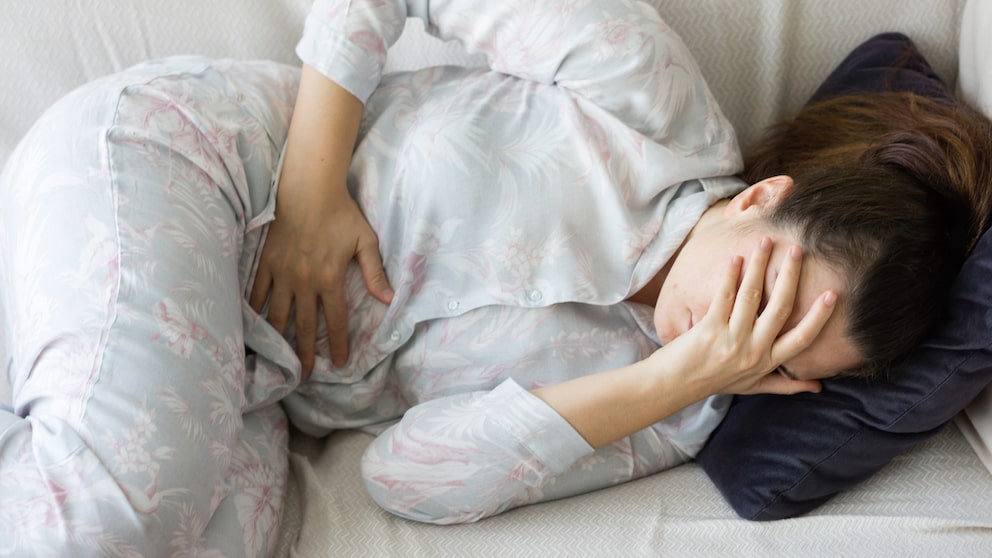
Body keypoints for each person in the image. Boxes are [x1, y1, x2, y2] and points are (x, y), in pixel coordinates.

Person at [0, 1, 988, 556]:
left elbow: (403, 478)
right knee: (128, 510)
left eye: (771, 347)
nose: (728, 330)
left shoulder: (673, 414)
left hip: (260, 383)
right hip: (210, 172)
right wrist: (309, 187)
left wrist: (668, 383)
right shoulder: (651, 108)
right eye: (760, 290)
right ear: (756, 199)